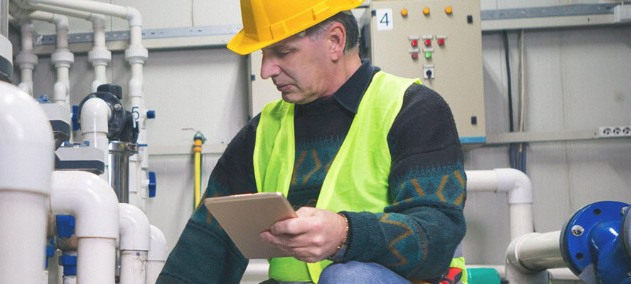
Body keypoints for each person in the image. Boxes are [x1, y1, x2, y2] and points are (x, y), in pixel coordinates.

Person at [155, 0, 467, 283]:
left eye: (283, 51)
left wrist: (345, 234)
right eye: (264, 53)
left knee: (349, 278)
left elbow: (437, 236)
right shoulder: (262, 132)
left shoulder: (412, 110)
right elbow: (206, 246)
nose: (266, 70)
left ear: (335, 41)